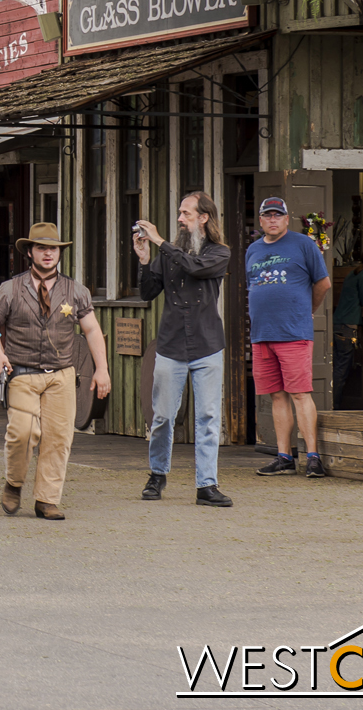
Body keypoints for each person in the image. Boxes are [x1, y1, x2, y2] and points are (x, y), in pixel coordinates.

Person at [0, 225, 112, 518]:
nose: (48, 253)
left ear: (59, 253)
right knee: (22, 433)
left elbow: (92, 329)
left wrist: (101, 369)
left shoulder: (76, 291)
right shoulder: (10, 289)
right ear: (30, 252)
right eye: (41, 248)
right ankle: (14, 483)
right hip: (22, 373)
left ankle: (47, 499)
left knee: (58, 437)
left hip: (61, 375)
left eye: (53, 248)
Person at [134, 190, 234, 506]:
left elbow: (194, 267)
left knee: (207, 416)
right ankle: (157, 475)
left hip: (207, 344)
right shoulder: (168, 253)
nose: (180, 218)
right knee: (162, 416)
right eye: (179, 212)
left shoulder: (219, 252)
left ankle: (207, 485)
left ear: (204, 217)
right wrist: (145, 259)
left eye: (186, 213)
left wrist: (160, 242)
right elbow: (148, 293)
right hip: (171, 344)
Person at [243, 197, 333, 478]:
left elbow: (323, 283)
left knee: (299, 393)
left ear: (286, 218)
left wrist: (308, 310)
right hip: (261, 334)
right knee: (276, 395)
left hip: (293, 332)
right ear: (260, 221)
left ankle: (313, 457)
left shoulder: (303, 244)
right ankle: (284, 456)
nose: (272, 220)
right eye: (267, 216)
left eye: (277, 215)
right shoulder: (253, 250)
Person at [333, 250, 363, 394]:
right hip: (348, 324)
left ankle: (331, 402)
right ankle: (335, 404)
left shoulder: (352, 273)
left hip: (337, 322)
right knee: (342, 369)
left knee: (336, 366)